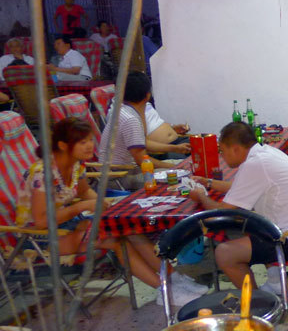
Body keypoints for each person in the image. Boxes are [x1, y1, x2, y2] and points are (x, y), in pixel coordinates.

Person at [15, 118, 206, 307]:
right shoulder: (42, 173)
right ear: (63, 145)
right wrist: (81, 207)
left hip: (69, 222)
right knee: (115, 239)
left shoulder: (75, 164)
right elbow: (40, 222)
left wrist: (102, 203)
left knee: (129, 229)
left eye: (90, 140)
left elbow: (83, 192)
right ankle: (164, 291)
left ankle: (174, 278)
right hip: (37, 238)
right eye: (83, 142)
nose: (90, 146)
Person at [188, 121, 288, 290]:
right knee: (249, 222)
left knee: (224, 253)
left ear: (236, 148)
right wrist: (208, 182)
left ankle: (254, 302)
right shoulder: (266, 153)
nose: (222, 156)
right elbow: (240, 189)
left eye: (222, 151)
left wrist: (201, 196)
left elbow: (219, 213)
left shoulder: (255, 164)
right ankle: (277, 283)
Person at [98, 71, 178, 188]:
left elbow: (142, 142)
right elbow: (142, 160)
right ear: (147, 95)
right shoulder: (130, 118)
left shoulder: (125, 110)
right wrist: (173, 167)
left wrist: (176, 149)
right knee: (177, 176)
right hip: (119, 176)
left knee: (181, 166)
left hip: (129, 169)